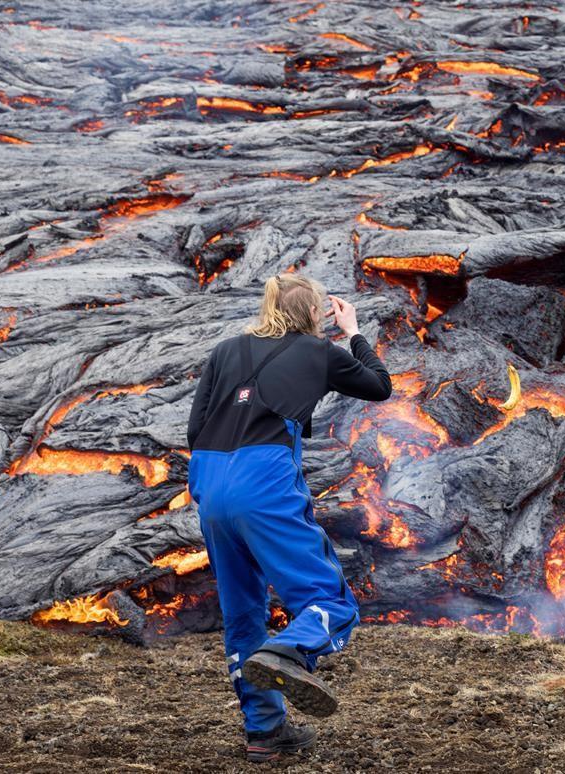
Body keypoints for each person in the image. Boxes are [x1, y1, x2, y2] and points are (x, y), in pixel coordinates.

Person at [185, 273, 392, 762]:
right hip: (264, 480)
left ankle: (265, 734)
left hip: (209, 482)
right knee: (331, 602)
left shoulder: (226, 348)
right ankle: (289, 650)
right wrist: (355, 332)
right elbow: (379, 386)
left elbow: (195, 427)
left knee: (242, 615)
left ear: (268, 305)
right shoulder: (318, 352)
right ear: (317, 314)